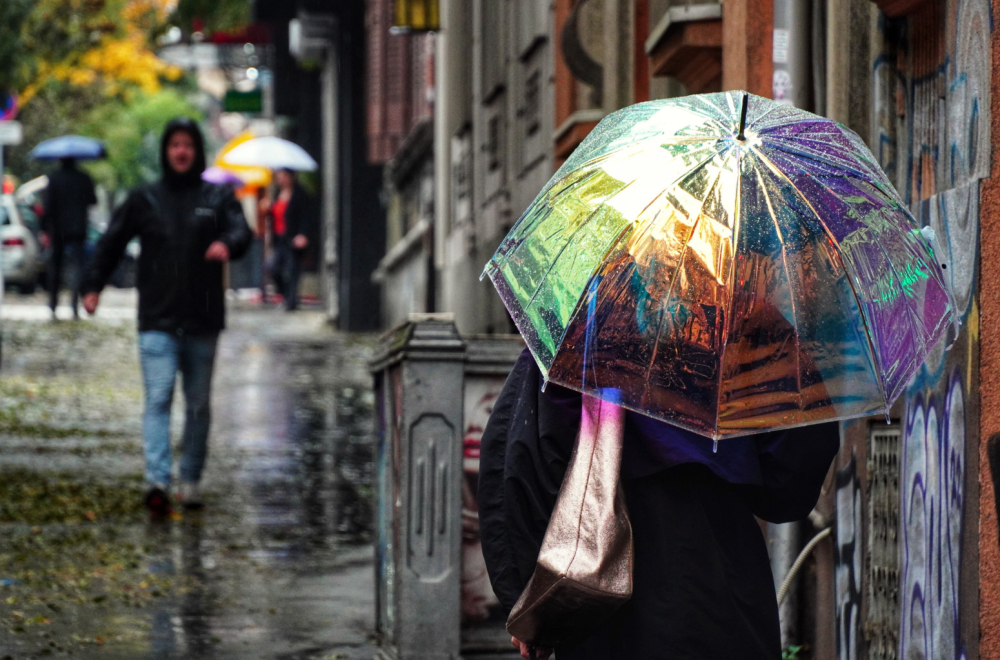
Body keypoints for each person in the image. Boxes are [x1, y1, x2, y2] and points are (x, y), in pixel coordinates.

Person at [478, 349, 841, 660]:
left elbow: (518, 458)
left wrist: (530, 603)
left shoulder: (584, 320)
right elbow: (792, 478)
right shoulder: (747, 322)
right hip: (721, 577)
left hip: (598, 585)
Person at [81, 117, 252, 517]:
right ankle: (157, 480)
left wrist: (228, 243)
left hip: (202, 319)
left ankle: (189, 480)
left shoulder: (216, 197)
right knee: (157, 399)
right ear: (165, 151)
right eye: (174, 144)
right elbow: (111, 243)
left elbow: (241, 230)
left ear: (197, 150)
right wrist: (92, 285)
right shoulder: (145, 199)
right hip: (157, 319)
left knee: (197, 405)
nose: (181, 151)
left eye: (187, 144)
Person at [42, 157, 97, 320]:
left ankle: (53, 305)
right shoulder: (83, 178)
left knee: (56, 267)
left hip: (58, 229)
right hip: (78, 228)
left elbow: (48, 205)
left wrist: (45, 228)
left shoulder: (54, 178)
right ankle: (74, 305)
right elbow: (93, 200)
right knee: (78, 268)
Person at [267, 168, 311, 311]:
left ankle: (291, 302)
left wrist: (303, 234)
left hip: (293, 238)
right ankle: (287, 296)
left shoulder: (300, 194)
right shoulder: (275, 193)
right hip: (279, 238)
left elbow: (307, 215)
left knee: (293, 270)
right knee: (272, 268)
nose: (281, 179)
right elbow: (274, 215)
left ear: (291, 176)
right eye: (278, 176)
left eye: (284, 175)